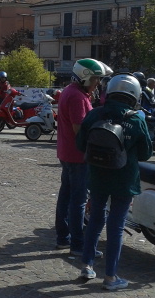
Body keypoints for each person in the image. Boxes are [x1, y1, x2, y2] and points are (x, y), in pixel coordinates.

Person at [76, 73, 152, 290]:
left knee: (95, 218)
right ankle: (110, 277)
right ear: (135, 95)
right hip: (124, 179)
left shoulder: (95, 114)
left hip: (98, 175)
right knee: (116, 225)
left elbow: (80, 144)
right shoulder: (136, 119)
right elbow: (146, 153)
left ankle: (87, 265)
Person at [55, 58, 111, 256]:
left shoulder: (71, 91)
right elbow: (79, 129)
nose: (98, 83)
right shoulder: (77, 97)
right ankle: (77, 244)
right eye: (96, 79)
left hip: (67, 152)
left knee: (65, 197)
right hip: (77, 155)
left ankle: (63, 238)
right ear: (85, 77)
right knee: (78, 201)